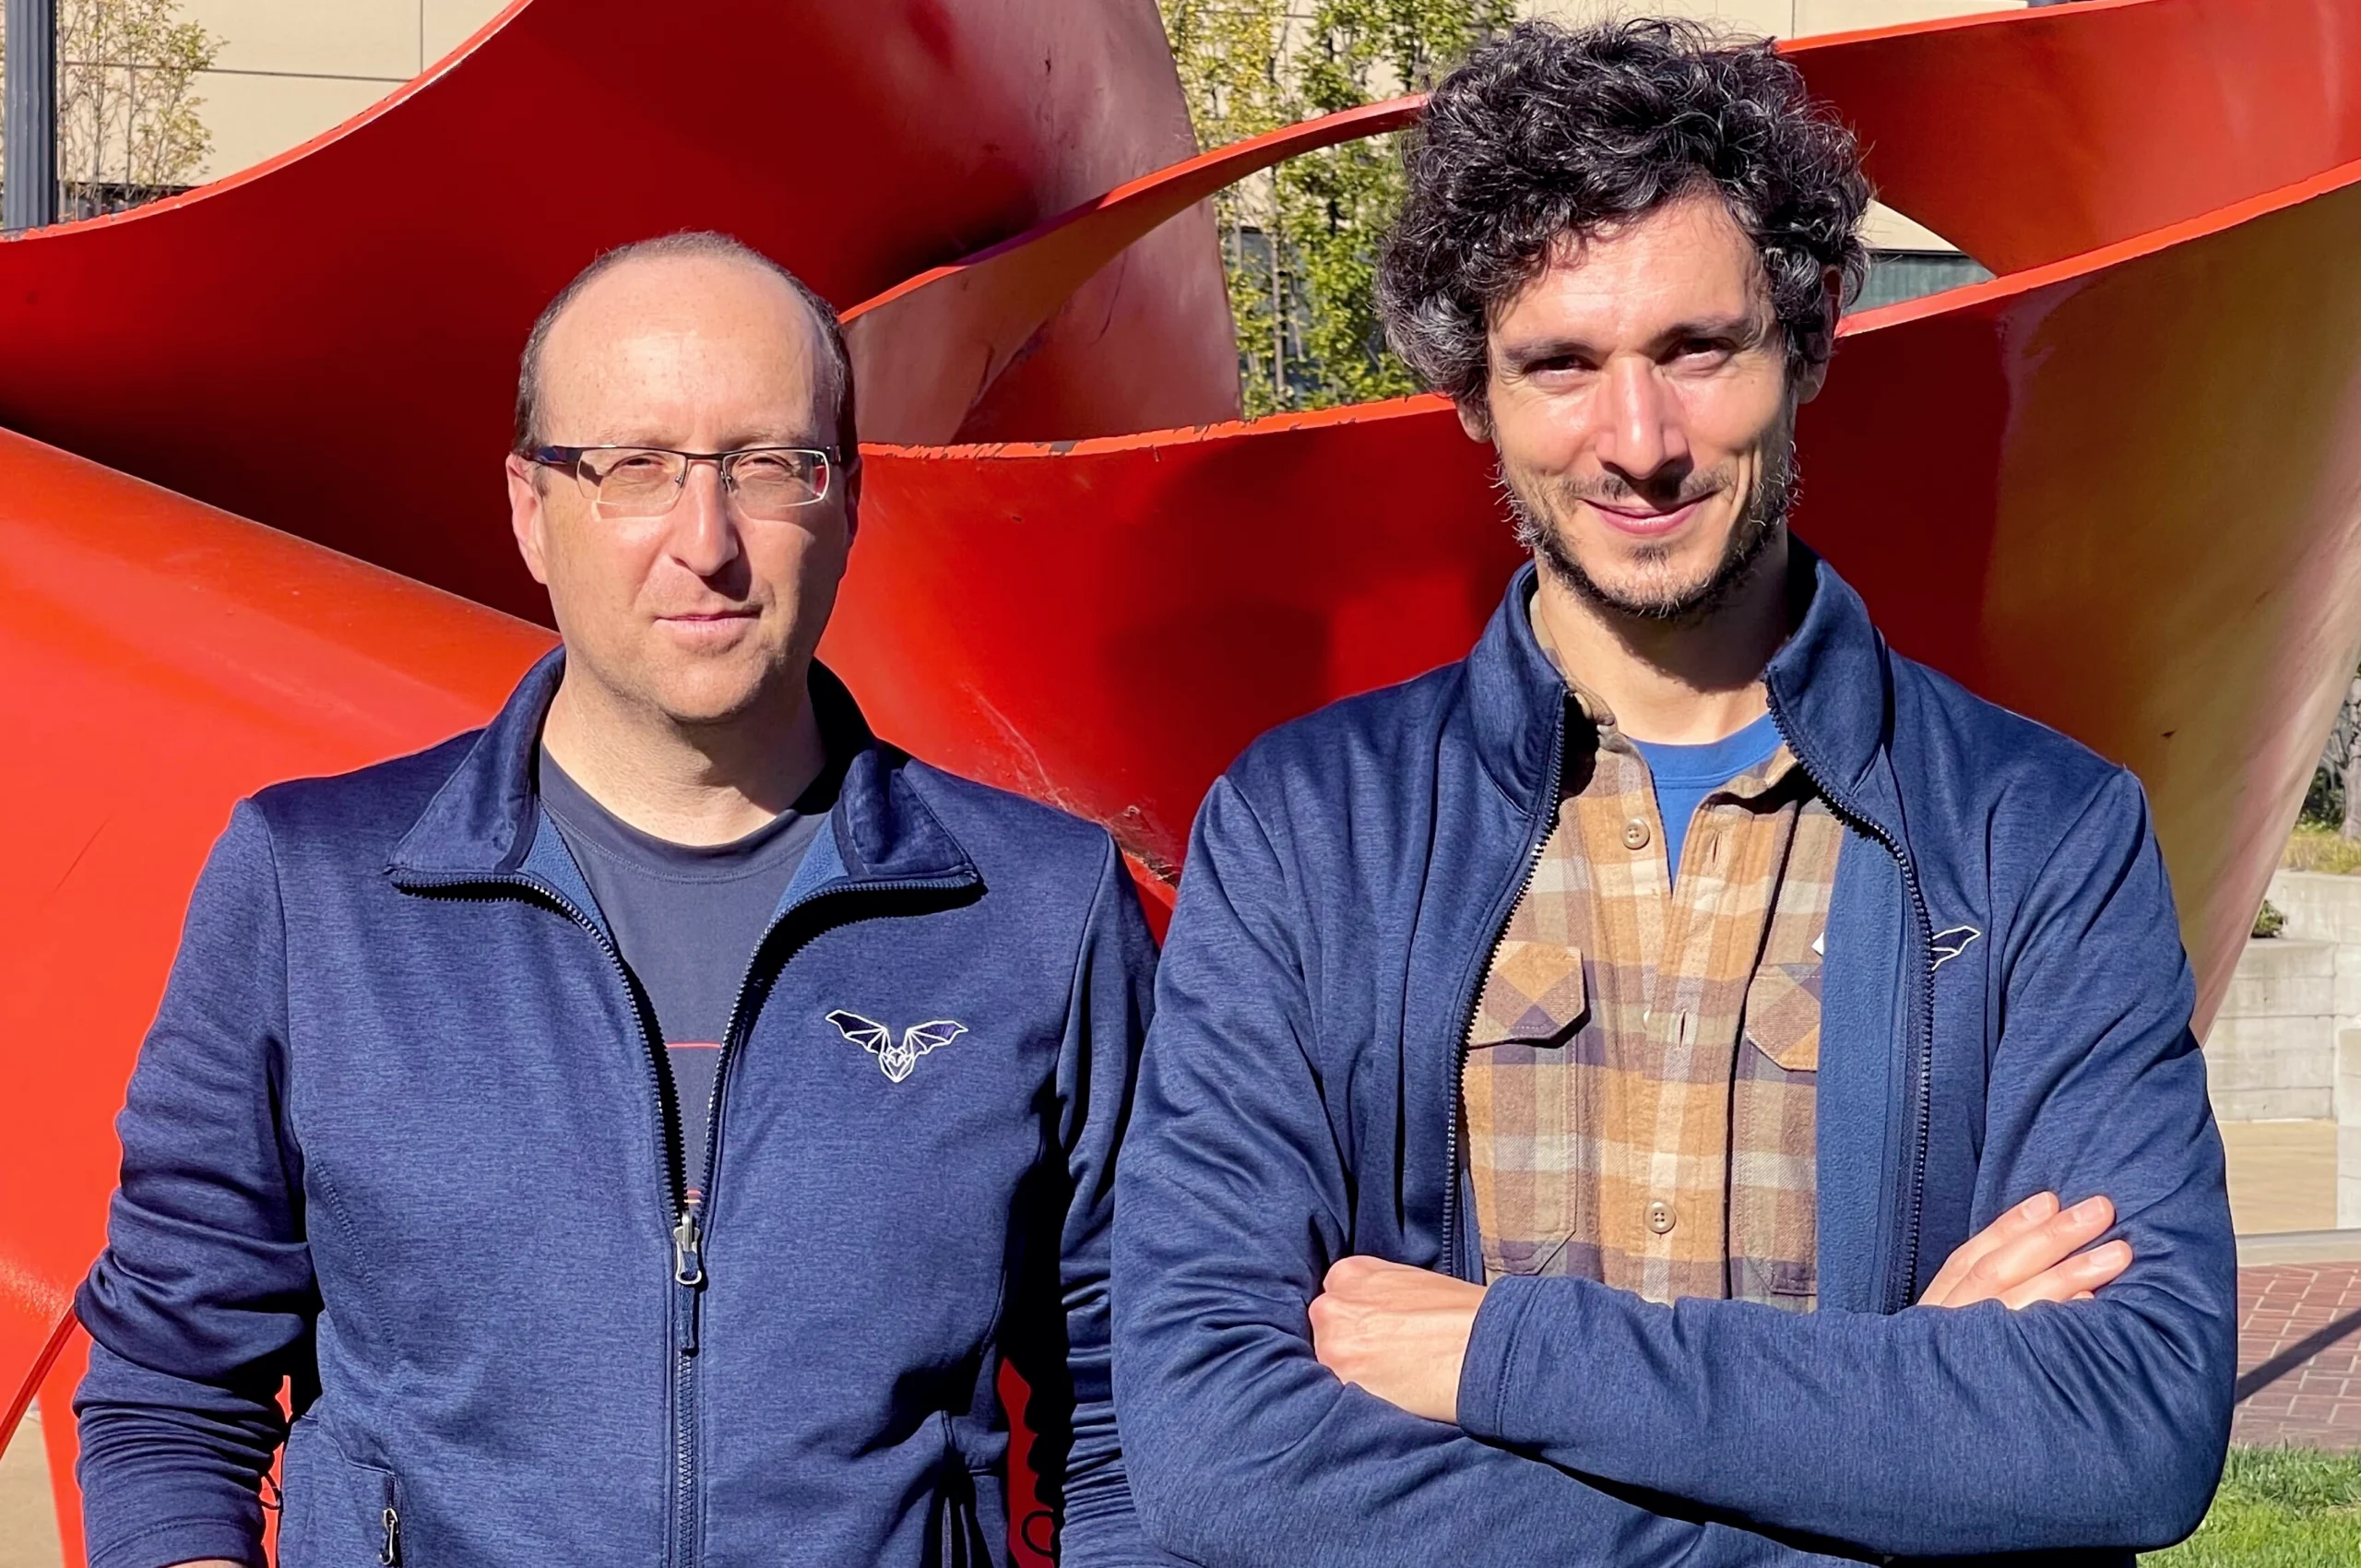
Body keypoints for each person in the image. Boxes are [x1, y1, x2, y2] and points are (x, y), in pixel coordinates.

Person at [1113, 20, 2233, 1567]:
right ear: (1470, 398)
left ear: (1810, 338)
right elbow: (1218, 1455)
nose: (1636, 445)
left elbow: (2126, 1429)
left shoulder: (2042, 836)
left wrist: (1501, 1357)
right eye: (1560, 366)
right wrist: (1886, 1458)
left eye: (1696, 350)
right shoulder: (1311, 834)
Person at [73, 232, 1160, 1568]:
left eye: (765, 465)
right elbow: (171, 1391)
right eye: (633, 467)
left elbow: (1133, 1408)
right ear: (532, 507)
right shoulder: (314, 891)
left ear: (849, 497)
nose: (703, 543)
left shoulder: (1037, 915)